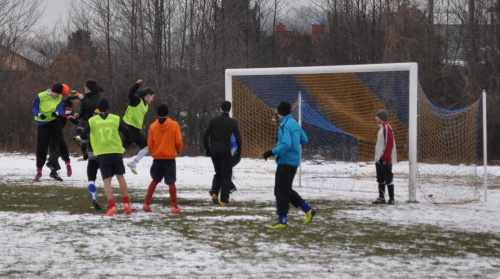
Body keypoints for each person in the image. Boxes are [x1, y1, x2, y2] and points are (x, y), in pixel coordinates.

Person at [263, 101, 316, 229]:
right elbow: (304, 139)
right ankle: (308, 210)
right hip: (294, 162)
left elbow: (286, 144)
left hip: (285, 162)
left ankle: (282, 221)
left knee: (280, 191)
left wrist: (272, 151)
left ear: (279, 113)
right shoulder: (295, 124)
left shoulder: (283, 125)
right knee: (285, 189)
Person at [82, 97, 131, 216]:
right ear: (108, 107)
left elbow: (83, 135)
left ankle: (112, 206)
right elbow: (127, 133)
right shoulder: (115, 118)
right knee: (121, 177)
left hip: (102, 153)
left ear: (98, 108)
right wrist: (123, 146)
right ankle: (126, 205)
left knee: (107, 181)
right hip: (116, 152)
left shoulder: (92, 121)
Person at [143, 104, 183, 213]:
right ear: (167, 113)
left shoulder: (153, 126)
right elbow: (178, 141)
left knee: (155, 180)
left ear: (157, 113)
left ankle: (146, 203)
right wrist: (177, 150)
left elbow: (150, 143)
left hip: (157, 157)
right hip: (170, 157)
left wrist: (153, 153)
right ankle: (174, 206)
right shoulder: (174, 125)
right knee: (171, 182)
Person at [203, 101, 242, 207]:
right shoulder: (232, 122)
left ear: (221, 109)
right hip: (225, 151)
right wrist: (239, 151)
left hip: (214, 151)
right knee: (226, 175)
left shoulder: (213, 121)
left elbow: (205, 136)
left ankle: (214, 192)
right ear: (229, 109)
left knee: (218, 172)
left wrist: (208, 149)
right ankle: (224, 200)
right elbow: (238, 138)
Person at [32, 83, 72, 182]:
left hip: (54, 123)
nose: (57, 96)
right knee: (42, 148)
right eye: (56, 94)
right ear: (52, 91)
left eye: (59, 94)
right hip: (42, 124)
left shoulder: (59, 98)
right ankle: (39, 172)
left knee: (62, 143)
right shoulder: (41, 96)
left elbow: (59, 108)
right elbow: (34, 108)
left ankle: (68, 164)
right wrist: (39, 114)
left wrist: (57, 113)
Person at [46, 90, 81, 181]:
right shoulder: (67, 106)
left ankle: (53, 172)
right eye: (77, 99)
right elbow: (71, 118)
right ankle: (50, 163)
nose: (78, 101)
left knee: (55, 149)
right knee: (62, 147)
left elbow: (69, 114)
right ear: (73, 99)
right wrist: (81, 124)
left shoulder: (64, 103)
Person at [123, 79, 156, 174]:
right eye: (152, 97)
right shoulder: (136, 100)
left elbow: (138, 114)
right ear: (148, 95)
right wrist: (136, 84)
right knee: (125, 145)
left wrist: (140, 124)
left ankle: (133, 163)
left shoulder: (146, 105)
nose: (152, 99)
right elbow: (130, 94)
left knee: (147, 147)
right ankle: (111, 159)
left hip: (135, 129)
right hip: (128, 126)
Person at [372, 109, 397, 205]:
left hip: (385, 159)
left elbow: (389, 144)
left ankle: (391, 198)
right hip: (379, 159)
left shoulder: (387, 128)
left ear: (381, 118)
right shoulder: (382, 128)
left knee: (388, 178)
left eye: (377, 116)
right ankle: (381, 197)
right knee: (380, 178)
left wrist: (384, 157)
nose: (376, 118)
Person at [73, 79, 103, 147]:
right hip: (85, 121)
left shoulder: (98, 97)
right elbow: (83, 109)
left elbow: (92, 108)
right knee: (80, 125)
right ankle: (79, 139)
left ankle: (91, 152)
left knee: (91, 143)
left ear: (87, 88)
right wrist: (78, 114)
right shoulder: (86, 96)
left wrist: (83, 100)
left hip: (94, 122)